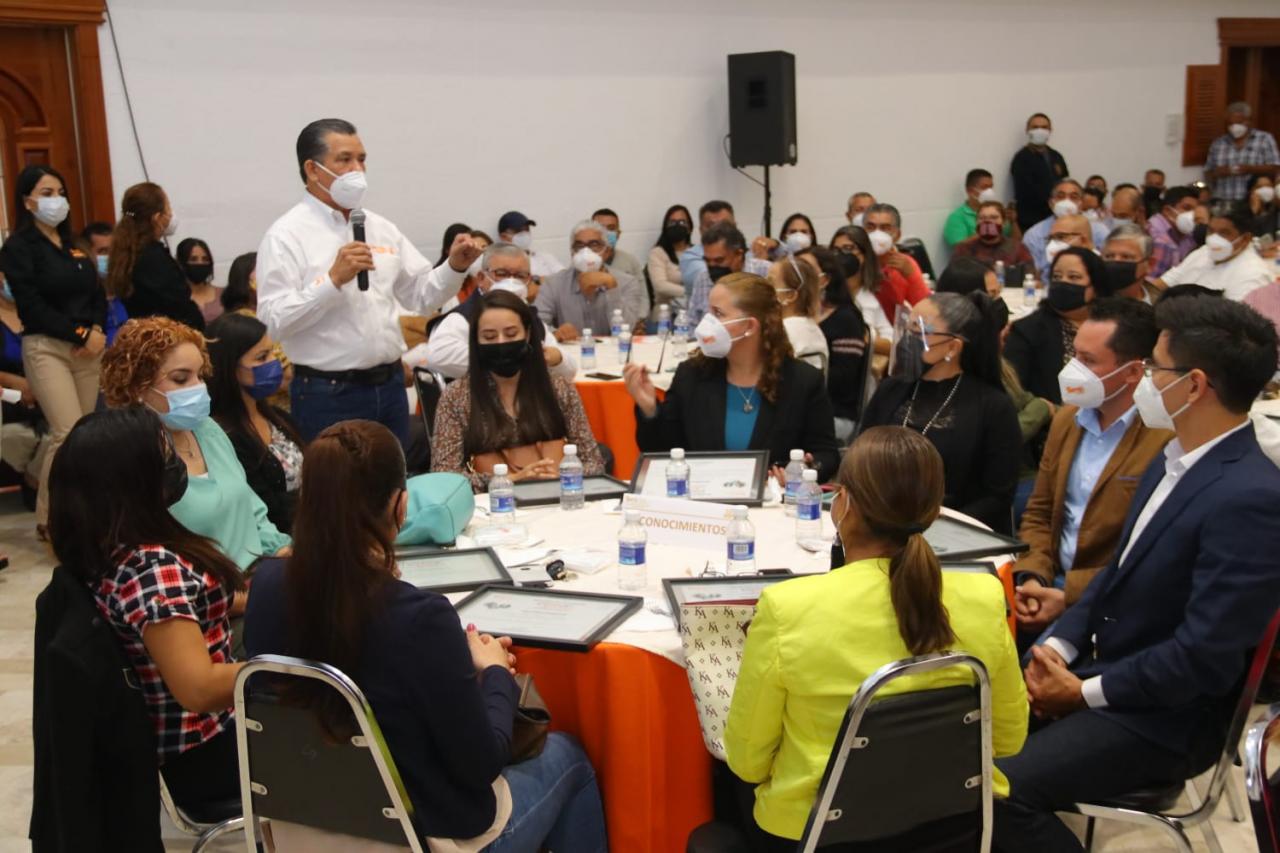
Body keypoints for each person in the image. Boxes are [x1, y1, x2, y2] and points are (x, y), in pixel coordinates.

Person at [994, 295, 1280, 853]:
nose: (1146, 380)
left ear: (1194, 386)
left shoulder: (1250, 497)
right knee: (961, 743)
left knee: (1002, 790)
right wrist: (1057, 649)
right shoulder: (1172, 460)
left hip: (1168, 716)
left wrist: (1082, 692)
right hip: (1112, 670)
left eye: (1154, 368)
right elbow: (1115, 576)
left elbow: (1202, 657)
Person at [243, 419, 607, 849]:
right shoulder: (419, 619)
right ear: (401, 507)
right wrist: (495, 674)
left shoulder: (266, 587)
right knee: (570, 758)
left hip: (300, 830)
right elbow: (481, 764)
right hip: (422, 836)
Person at [725, 426, 1027, 849]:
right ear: (934, 510)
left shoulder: (787, 608)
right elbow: (1008, 738)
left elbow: (747, 761)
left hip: (816, 835)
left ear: (844, 503)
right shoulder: (984, 596)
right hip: (952, 825)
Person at [48, 406, 245, 809]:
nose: (175, 462)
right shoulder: (152, 569)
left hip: (191, 748)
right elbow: (199, 688)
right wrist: (283, 671)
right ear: (134, 479)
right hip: (208, 755)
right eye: (165, 454)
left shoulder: (107, 549)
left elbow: (193, 605)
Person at [255, 118, 481, 445]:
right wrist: (332, 281)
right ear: (313, 169)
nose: (357, 170)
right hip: (327, 392)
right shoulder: (286, 236)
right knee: (338, 478)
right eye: (344, 160)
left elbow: (421, 297)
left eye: (361, 159)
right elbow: (274, 322)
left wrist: (454, 267)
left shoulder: (380, 227)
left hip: (390, 385)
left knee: (395, 475)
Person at [1012, 298, 1168, 642]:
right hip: (1047, 579)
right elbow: (1039, 512)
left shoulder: (1164, 439)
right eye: (1074, 356)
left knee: (1034, 665)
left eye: (1088, 360)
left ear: (1133, 372)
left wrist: (1069, 596)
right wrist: (1032, 576)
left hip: (1110, 598)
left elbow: (1148, 555)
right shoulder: (1068, 419)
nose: (1073, 370)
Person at [100, 316, 290, 570]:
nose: (199, 388)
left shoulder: (206, 429)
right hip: (196, 589)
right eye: (181, 379)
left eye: (200, 376)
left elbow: (250, 507)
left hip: (254, 573)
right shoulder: (129, 456)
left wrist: (280, 548)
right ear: (137, 387)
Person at [625, 272, 839, 480]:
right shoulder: (691, 375)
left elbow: (827, 454)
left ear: (750, 326)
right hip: (703, 497)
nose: (707, 322)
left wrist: (804, 471)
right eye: (709, 312)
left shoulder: (803, 381)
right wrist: (650, 410)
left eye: (718, 314)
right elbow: (663, 453)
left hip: (773, 499)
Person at [0, 164, 105, 537]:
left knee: (85, 435)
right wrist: (79, 334)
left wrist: (95, 330)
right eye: (46, 193)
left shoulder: (74, 245)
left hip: (88, 349)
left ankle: (85, 513)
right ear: (28, 201)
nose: (55, 200)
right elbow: (31, 306)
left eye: (60, 192)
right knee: (66, 432)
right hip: (47, 346)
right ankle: (49, 517)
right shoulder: (18, 248)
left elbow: (96, 294)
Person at [860, 292, 1022, 533]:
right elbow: (860, 454)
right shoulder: (891, 389)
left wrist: (937, 525)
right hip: (881, 523)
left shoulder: (993, 406)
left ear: (953, 347)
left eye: (920, 332)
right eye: (907, 329)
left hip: (956, 531)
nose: (908, 340)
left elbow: (997, 496)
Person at [432, 290, 603, 491]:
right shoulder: (456, 397)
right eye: (489, 337)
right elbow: (444, 476)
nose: (501, 342)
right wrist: (508, 480)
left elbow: (594, 463)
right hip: (492, 502)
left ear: (528, 334)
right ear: (476, 341)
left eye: (511, 334)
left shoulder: (558, 388)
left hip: (559, 494)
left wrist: (561, 477)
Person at [206, 312, 305, 534]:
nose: (274, 363)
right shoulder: (224, 437)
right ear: (230, 368)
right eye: (261, 358)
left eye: (272, 352)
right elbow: (264, 510)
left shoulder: (278, 417)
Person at [426, 243, 576, 380]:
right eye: (502, 273)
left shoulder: (529, 314)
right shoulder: (462, 318)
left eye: (520, 276)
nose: (511, 281)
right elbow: (437, 356)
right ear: (481, 278)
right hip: (478, 397)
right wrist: (508, 357)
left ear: (529, 280)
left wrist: (556, 358)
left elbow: (568, 368)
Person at [1007, 247, 1108, 405]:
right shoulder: (1027, 330)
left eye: (1073, 277)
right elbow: (1015, 391)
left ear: (1095, 287)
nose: (1063, 282)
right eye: (1056, 277)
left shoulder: (1111, 325)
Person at [107, 182, 204, 330]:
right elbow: (177, 304)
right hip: (167, 334)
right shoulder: (153, 258)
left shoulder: (128, 251)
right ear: (157, 218)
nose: (171, 215)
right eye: (168, 208)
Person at [536, 220, 647, 342]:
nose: (586, 252)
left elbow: (627, 329)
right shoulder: (553, 284)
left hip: (613, 350)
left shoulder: (627, 282)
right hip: (572, 350)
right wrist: (555, 333)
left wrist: (612, 288)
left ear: (607, 252)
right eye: (579, 246)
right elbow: (537, 324)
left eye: (594, 245)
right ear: (572, 253)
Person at [1155, 202, 1273, 301]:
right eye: (1211, 231)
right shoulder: (1204, 251)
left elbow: (1233, 319)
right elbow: (1165, 283)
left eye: (1224, 233)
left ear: (1245, 239)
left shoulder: (1253, 275)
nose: (1214, 239)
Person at [809, 247, 868, 442]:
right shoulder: (791, 317)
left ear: (824, 279)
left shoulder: (845, 318)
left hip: (834, 411)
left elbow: (844, 379)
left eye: (805, 270)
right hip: (802, 403)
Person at [0, 277, 45, 511]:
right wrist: (15, 383)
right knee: (13, 437)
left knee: (64, 431)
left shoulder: (39, 313)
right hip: (7, 396)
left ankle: (35, 479)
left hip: (45, 389)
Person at [687, 223, 769, 326]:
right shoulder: (703, 279)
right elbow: (692, 323)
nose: (712, 266)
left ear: (739, 255)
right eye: (707, 261)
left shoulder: (766, 272)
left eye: (719, 260)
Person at [1022, 181, 1110, 276]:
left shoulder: (1100, 231)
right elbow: (1032, 273)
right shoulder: (1034, 234)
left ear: (1081, 204)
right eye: (1060, 196)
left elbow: (1107, 266)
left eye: (1073, 197)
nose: (1067, 201)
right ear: (1051, 203)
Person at [862, 203, 931, 322]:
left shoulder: (906, 264)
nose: (877, 234)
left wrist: (910, 275)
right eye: (870, 227)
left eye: (885, 228)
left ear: (897, 235)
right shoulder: (855, 263)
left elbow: (926, 312)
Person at [830, 225, 893, 350]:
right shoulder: (824, 290)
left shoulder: (880, 292)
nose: (841, 255)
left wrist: (859, 338)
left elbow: (892, 343)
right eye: (836, 250)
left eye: (848, 249)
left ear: (864, 254)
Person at [1204, 101, 1280, 202]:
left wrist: (1250, 169)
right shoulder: (1218, 143)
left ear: (1249, 121)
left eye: (1238, 123)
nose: (1234, 127)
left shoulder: (1264, 139)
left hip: (1254, 201)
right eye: (1230, 123)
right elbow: (1208, 172)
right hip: (1223, 200)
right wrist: (1218, 172)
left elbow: (1275, 167)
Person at [767, 255, 827, 370]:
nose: (764, 287)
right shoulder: (812, 327)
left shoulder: (783, 331)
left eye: (771, 282)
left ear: (790, 295)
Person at [1011, 113, 1070, 232]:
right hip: (1031, 220)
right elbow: (1025, 193)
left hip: (1057, 217)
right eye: (1035, 127)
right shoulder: (1022, 158)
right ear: (1027, 130)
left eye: (1044, 127)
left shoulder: (1056, 156)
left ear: (1050, 130)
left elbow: (1064, 182)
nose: (1040, 131)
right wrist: (1053, 201)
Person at [951, 201, 1035, 274]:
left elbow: (1031, 276)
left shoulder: (1017, 248)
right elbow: (953, 278)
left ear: (1004, 222)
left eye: (994, 217)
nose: (988, 221)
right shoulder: (964, 249)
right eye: (982, 218)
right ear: (976, 222)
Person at [679, 199, 737, 296]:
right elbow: (715, 278)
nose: (719, 230)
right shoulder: (690, 257)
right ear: (701, 230)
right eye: (712, 226)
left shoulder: (750, 251)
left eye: (725, 225)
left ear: (735, 226)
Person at [1145, 186, 1200, 278]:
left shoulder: (1188, 236)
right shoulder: (1156, 238)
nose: (1193, 215)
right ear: (1167, 211)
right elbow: (1150, 283)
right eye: (1187, 208)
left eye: (1195, 210)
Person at [647, 204, 693, 314]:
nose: (677, 226)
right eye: (672, 222)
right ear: (665, 227)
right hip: (665, 312)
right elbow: (660, 286)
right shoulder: (658, 252)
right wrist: (692, 291)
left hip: (693, 310)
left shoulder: (697, 252)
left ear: (689, 228)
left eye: (682, 222)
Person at [1100, 223, 1162, 304]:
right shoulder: (1090, 304)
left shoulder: (1162, 305)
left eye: (1126, 257)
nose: (1116, 261)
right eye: (1109, 256)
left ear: (1149, 264)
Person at [497, 210, 563, 279]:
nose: (524, 234)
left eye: (527, 229)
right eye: (518, 231)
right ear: (503, 237)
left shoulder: (544, 258)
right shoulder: (497, 263)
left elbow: (565, 278)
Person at [943, 168, 1000, 247]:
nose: (990, 192)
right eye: (985, 187)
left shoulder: (997, 213)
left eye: (991, 187)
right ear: (969, 190)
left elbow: (1014, 242)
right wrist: (985, 231)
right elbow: (959, 247)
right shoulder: (957, 217)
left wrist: (1013, 222)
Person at [175, 237, 223, 327]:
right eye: (193, 259)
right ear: (181, 263)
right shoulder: (174, 299)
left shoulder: (224, 295)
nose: (200, 263)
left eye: (205, 259)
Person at [591, 207, 644, 282]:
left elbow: (641, 289)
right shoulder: (580, 262)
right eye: (600, 228)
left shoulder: (630, 261)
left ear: (618, 234)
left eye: (611, 228)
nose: (605, 233)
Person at [752, 212, 818, 260]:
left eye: (804, 232)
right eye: (793, 232)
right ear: (784, 237)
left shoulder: (820, 259)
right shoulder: (778, 262)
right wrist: (775, 243)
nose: (799, 235)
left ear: (811, 236)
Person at [1248, 173, 1280, 241]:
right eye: (1278, 183)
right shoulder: (1267, 218)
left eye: (1268, 186)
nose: (1265, 190)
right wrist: (1254, 210)